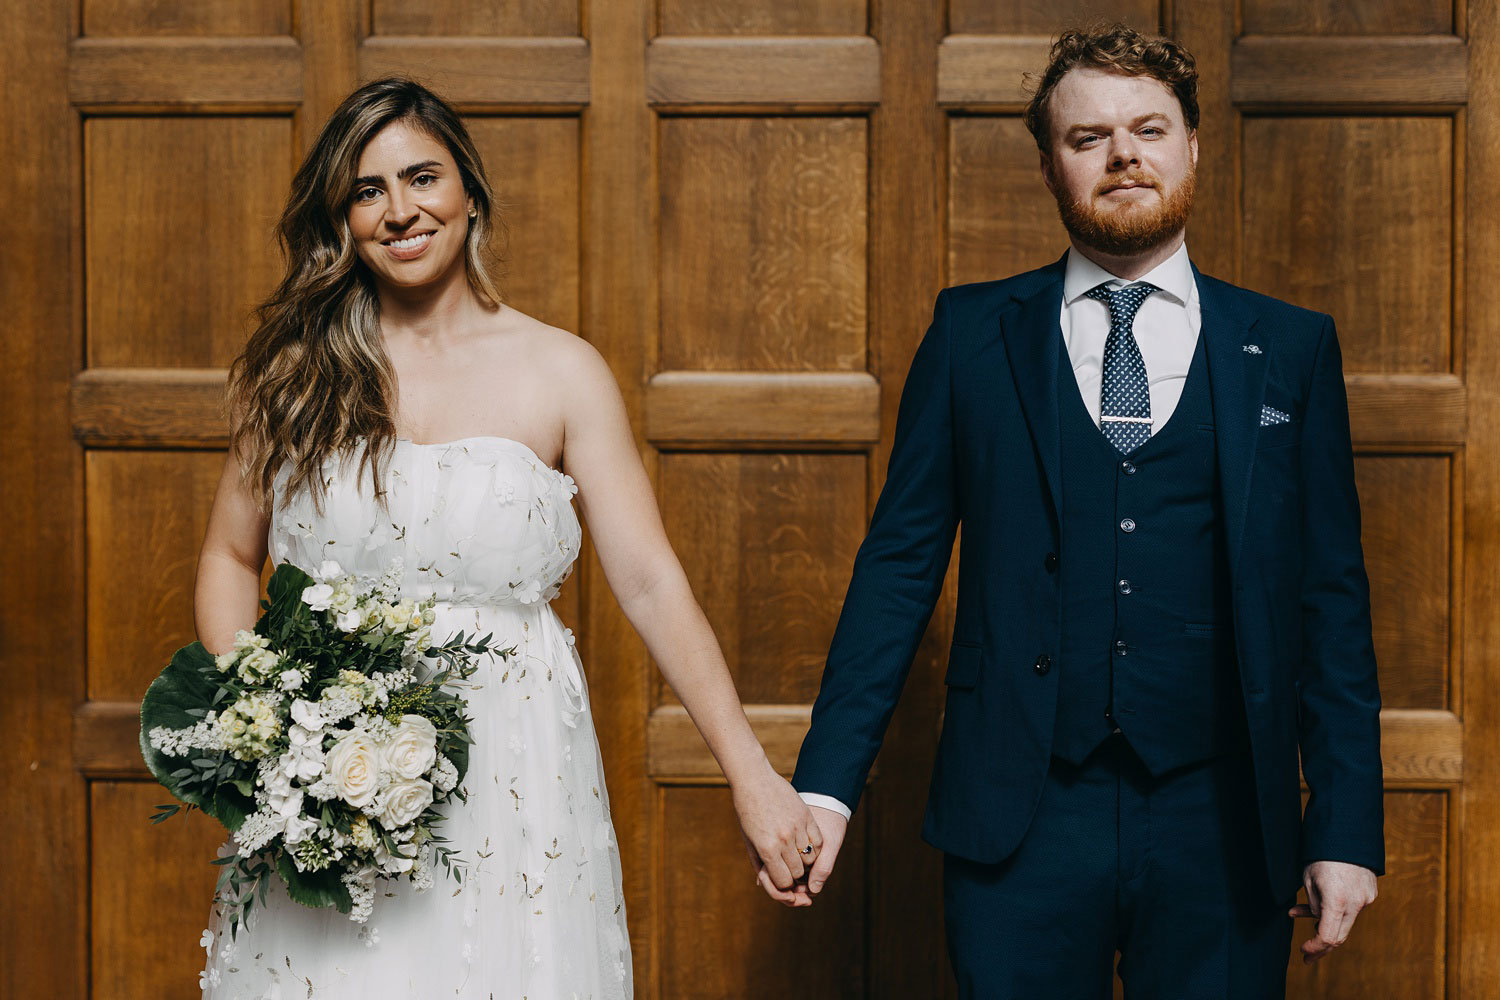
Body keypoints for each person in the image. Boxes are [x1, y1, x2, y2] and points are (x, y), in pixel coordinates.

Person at [783, 25, 1384, 997]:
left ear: (1192, 144)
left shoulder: (1291, 346)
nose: (1123, 156)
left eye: (1149, 128)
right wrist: (826, 787)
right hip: (1017, 819)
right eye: (1088, 136)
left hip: (1222, 821)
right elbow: (898, 571)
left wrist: (1348, 826)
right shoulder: (972, 332)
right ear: (1050, 162)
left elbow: (1331, 601)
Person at [192, 78, 820, 998]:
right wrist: (271, 728)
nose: (400, 210)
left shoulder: (561, 371)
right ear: (341, 220)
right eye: (368, 191)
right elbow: (228, 557)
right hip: (330, 774)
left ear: (470, 196)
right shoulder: (295, 375)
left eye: (421, 178)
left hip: (512, 779)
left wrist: (751, 774)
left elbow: (647, 581)